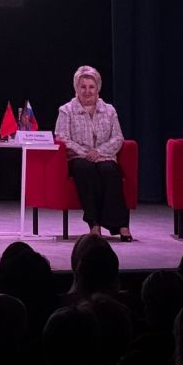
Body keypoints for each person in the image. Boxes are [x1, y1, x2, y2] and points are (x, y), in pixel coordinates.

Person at [54, 65, 131, 242]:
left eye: (91, 87)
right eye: (83, 87)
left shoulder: (109, 110)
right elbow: (62, 137)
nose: (87, 91)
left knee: (109, 171)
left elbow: (118, 137)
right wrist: (85, 153)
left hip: (104, 156)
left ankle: (121, 225)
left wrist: (99, 152)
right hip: (78, 158)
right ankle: (94, 224)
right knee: (85, 169)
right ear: (76, 88)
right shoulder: (66, 110)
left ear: (98, 88)